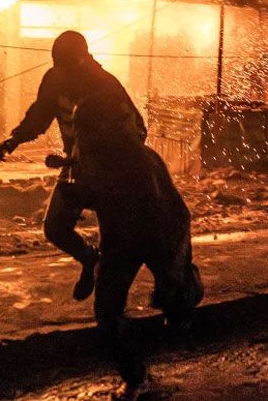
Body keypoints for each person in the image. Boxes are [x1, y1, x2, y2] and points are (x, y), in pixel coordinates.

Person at [54, 86, 203, 399]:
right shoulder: (101, 154)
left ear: (103, 128)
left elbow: (134, 202)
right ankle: (136, 378)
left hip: (158, 234)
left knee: (173, 307)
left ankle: (186, 290)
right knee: (107, 312)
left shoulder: (136, 159)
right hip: (125, 238)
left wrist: (86, 195)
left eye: (85, 128)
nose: (80, 135)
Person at [0, 31, 145, 301]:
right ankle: (89, 259)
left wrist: (115, 159)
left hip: (111, 171)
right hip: (76, 166)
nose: (63, 73)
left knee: (115, 236)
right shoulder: (54, 80)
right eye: (58, 65)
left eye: (67, 66)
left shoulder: (106, 86)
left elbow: (137, 128)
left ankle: (112, 296)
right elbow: (39, 114)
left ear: (84, 60)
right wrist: (15, 140)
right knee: (55, 228)